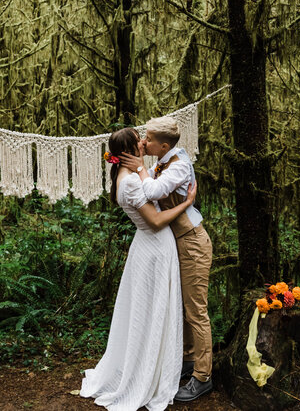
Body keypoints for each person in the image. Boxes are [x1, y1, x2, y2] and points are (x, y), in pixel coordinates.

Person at [80, 127, 197, 411]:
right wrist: (187, 204)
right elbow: (156, 221)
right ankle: (149, 369)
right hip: (155, 246)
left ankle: (156, 359)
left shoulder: (127, 177)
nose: (144, 144)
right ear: (129, 151)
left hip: (145, 247)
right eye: (139, 142)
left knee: (147, 310)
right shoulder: (130, 182)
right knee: (154, 310)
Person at [120, 116, 213, 402]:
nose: (143, 142)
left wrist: (140, 169)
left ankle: (203, 376)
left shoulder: (180, 165)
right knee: (183, 307)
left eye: (147, 139)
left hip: (192, 243)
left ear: (162, 145)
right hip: (178, 243)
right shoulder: (161, 162)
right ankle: (188, 360)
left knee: (196, 310)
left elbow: (153, 191)